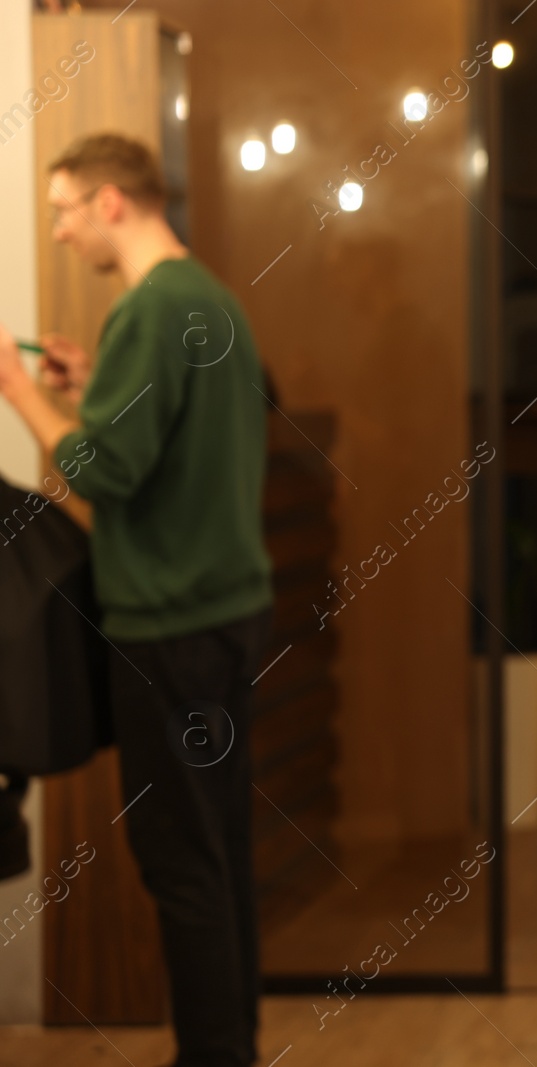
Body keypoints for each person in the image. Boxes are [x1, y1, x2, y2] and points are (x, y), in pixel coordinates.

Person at [0, 132, 274, 1067]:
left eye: (64, 210)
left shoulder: (151, 311)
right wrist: (89, 388)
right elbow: (179, 435)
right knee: (220, 846)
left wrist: (21, 398)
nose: (61, 231)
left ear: (111, 202)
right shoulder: (210, 300)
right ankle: (231, 1044)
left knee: (179, 859)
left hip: (171, 628)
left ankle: (212, 1056)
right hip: (230, 619)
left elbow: (105, 471)